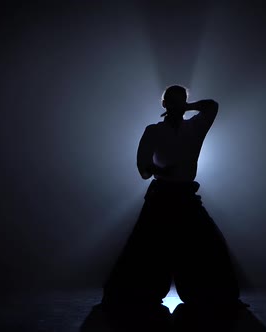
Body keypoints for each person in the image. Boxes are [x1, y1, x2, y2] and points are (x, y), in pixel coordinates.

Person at [101, 85, 242, 311]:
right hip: (162, 197)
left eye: (180, 100)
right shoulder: (153, 131)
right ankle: (135, 294)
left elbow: (212, 106)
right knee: (146, 250)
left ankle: (212, 294)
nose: (176, 104)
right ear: (164, 104)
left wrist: (187, 107)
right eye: (171, 100)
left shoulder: (195, 126)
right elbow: (143, 171)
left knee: (207, 246)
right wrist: (163, 170)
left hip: (185, 196)